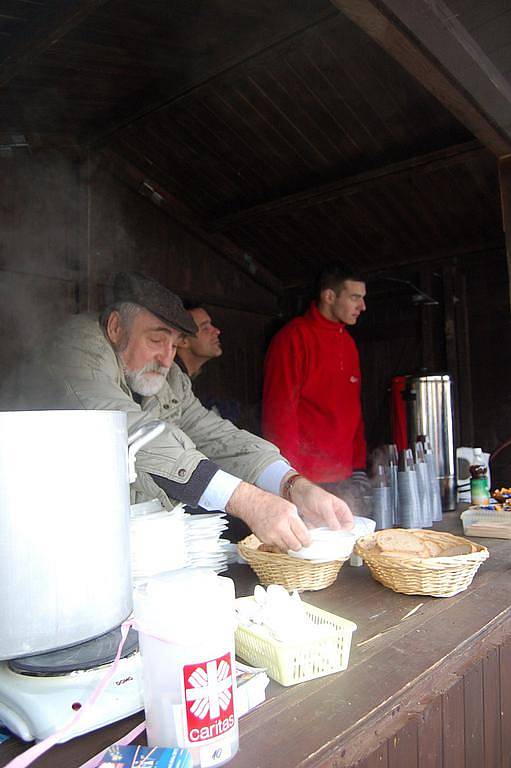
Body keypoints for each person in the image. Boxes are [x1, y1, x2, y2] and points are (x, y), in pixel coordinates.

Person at [26, 272, 353, 551]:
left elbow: (214, 435)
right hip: (56, 542)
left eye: (174, 344)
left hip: (135, 546)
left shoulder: (168, 381)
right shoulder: (78, 347)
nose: (167, 360)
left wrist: (292, 484)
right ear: (115, 328)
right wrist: (247, 500)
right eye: (156, 340)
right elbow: (123, 427)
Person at [262, 264, 369, 511]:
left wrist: (359, 465)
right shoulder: (292, 339)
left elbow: (353, 408)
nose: (362, 307)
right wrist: (289, 478)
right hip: (305, 477)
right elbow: (279, 414)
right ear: (329, 296)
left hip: (344, 475)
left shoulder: (348, 343)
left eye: (363, 299)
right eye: (355, 297)